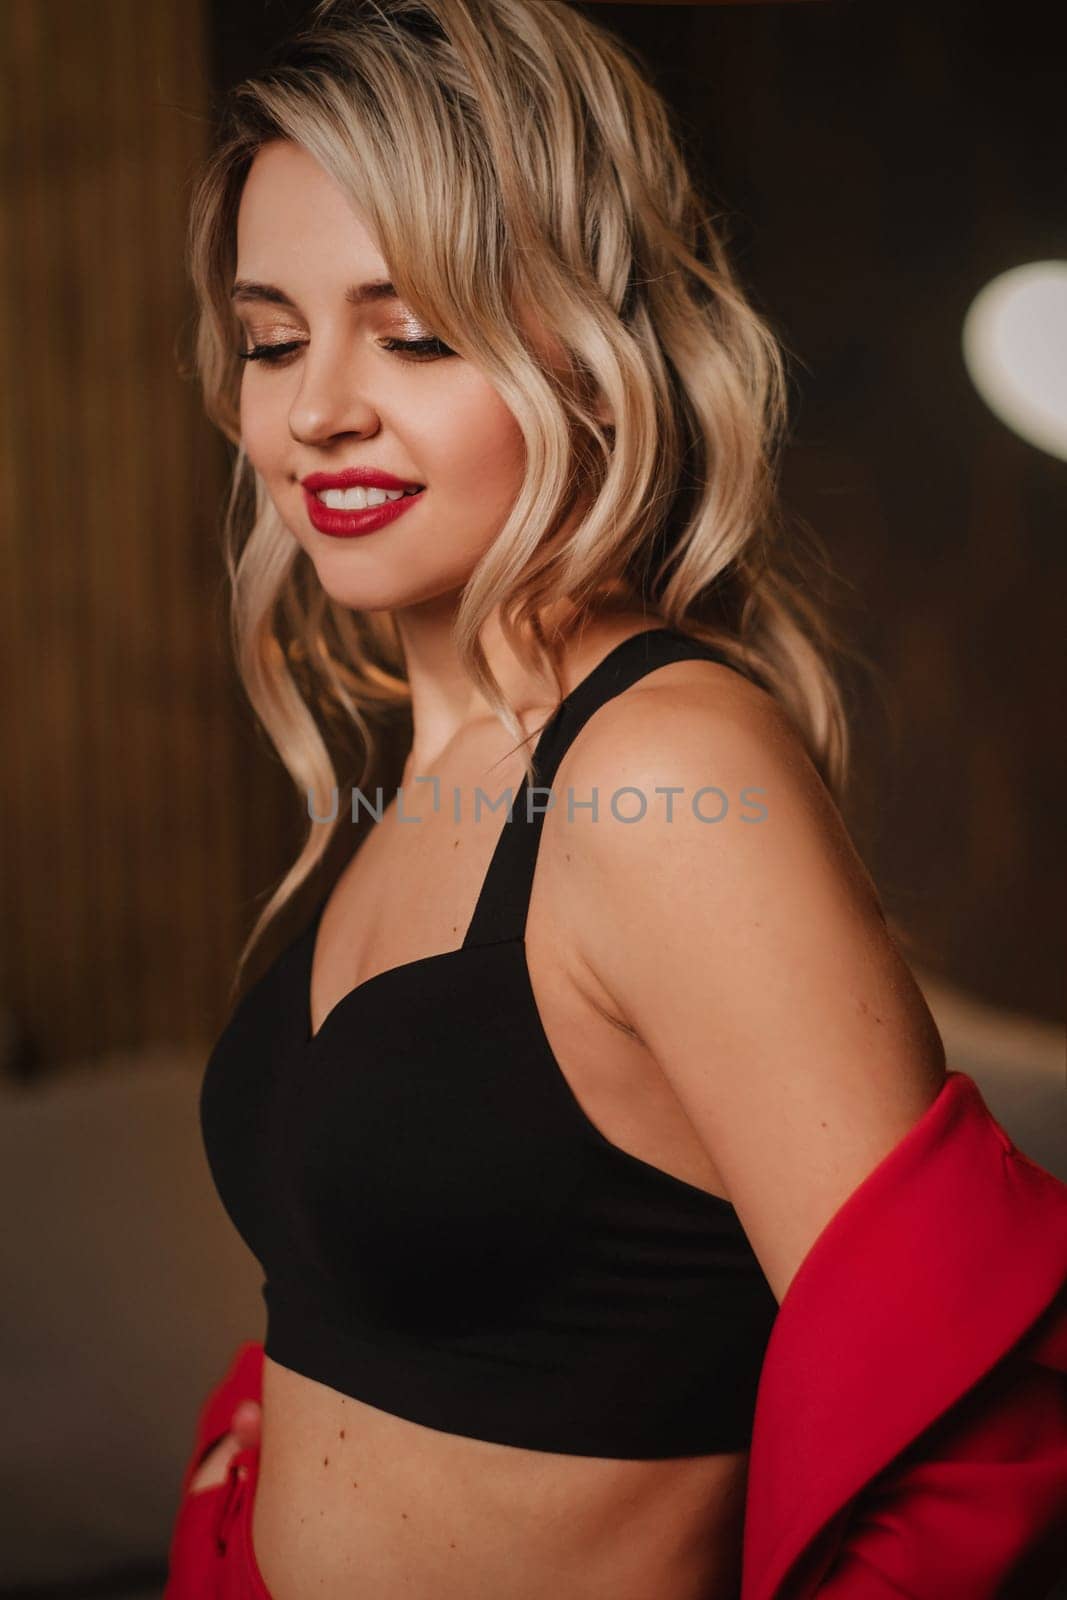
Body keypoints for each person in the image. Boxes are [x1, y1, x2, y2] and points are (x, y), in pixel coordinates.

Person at [166, 2, 1067, 1597]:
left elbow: (973, 1432)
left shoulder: (663, 770)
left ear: (586, 352)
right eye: (275, 337)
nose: (319, 412)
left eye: (417, 330)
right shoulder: (423, 758)